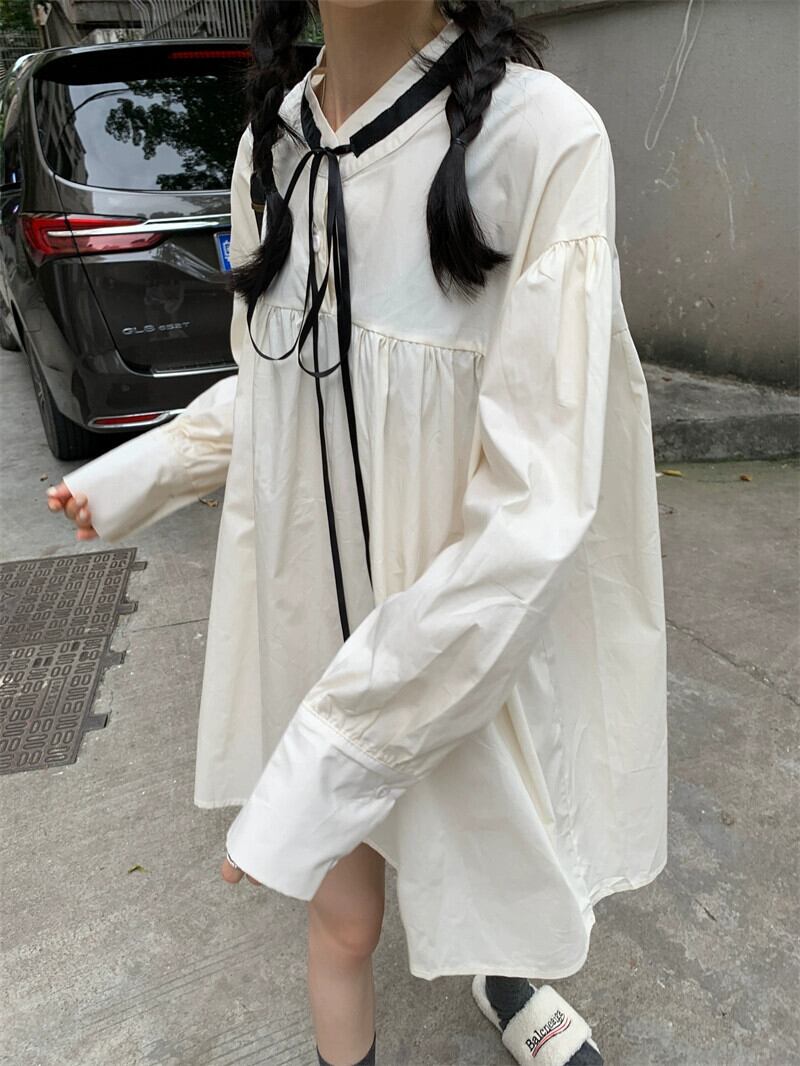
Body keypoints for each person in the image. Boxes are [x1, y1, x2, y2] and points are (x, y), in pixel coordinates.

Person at [47, 2, 669, 1064]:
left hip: (461, 634)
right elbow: (278, 384)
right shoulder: (270, 150)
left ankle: (508, 977)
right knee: (341, 924)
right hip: (315, 635)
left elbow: (534, 508)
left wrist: (331, 755)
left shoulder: (543, 141)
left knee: (497, 859)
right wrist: (146, 472)